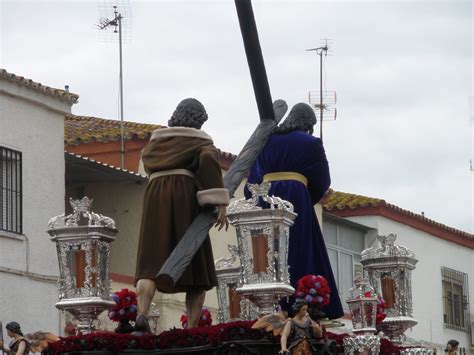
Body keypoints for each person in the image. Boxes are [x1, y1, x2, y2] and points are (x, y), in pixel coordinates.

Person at [134, 98, 229, 331]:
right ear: (198, 120)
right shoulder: (200, 142)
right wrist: (220, 202)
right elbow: (207, 160)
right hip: (184, 198)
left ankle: (141, 315)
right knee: (196, 265)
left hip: (155, 197)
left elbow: (146, 160)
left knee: (150, 263)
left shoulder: (157, 141)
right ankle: (192, 327)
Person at [245, 102, 343, 319]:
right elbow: (322, 179)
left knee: (269, 251)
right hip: (297, 197)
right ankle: (301, 303)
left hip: (267, 196)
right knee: (299, 246)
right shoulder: (311, 142)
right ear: (308, 123)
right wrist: (308, 198)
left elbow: (253, 176)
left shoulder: (267, 140)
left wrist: (255, 197)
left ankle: (268, 302)